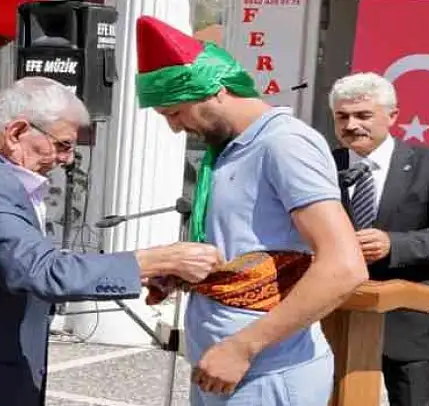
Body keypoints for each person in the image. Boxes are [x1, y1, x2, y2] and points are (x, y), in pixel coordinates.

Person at [0, 77, 224, 406]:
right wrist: (159, 259)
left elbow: (21, 262)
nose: (67, 159)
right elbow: (41, 270)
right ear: (16, 132)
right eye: (62, 145)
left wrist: (139, 274)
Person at [134, 16, 369, 406]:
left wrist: (242, 347)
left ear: (215, 90)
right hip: (226, 370)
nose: (175, 128)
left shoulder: (285, 144)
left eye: (174, 112)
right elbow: (249, 249)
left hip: (264, 373)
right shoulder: (227, 149)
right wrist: (189, 273)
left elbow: (345, 266)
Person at [328, 72, 429, 406]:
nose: (351, 125)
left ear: (392, 116)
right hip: (334, 315)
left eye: (363, 115)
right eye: (342, 116)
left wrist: (394, 245)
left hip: (410, 320)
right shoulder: (321, 166)